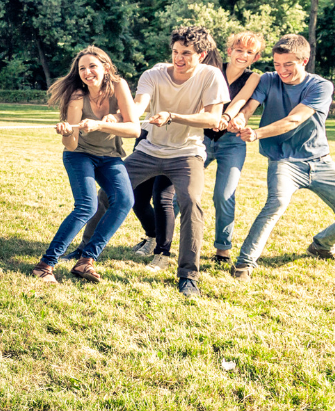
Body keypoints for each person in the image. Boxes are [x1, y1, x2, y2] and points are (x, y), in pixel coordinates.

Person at [83, 26, 230, 296]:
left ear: (203, 54)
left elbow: (212, 119)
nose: (179, 58)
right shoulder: (153, 74)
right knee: (108, 194)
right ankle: (84, 253)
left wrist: (172, 115)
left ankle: (188, 276)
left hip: (187, 153)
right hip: (149, 150)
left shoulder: (211, 76)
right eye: (175, 52)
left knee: (191, 203)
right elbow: (137, 107)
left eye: (186, 53)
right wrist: (117, 117)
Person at [229, 34, 335, 279]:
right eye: (277, 64)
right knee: (276, 204)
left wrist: (256, 133)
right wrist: (240, 119)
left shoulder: (320, 86)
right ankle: (244, 264)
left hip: (320, 161)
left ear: (304, 60)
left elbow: (294, 119)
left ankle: (320, 245)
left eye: (288, 65)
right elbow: (250, 106)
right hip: (283, 161)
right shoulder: (268, 80)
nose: (281, 70)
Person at [33, 46, 140, 284]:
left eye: (92, 66)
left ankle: (86, 260)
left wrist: (101, 125)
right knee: (87, 207)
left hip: (110, 156)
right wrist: (66, 132)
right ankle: (45, 264)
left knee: (124, 201)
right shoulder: (77, 96)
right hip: (80, 155)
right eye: (82, 68)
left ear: (106, 67)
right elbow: (71, 145)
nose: (87, 72)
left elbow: (134, 129)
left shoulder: (119, 86)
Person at [202, 32, 265, 262]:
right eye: (239, 50)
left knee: (224, 195)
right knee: (181, 191)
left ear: (255, 57)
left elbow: (240, 99)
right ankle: (161, 241)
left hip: (232, 142)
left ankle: (223, 249)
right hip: (202, 138)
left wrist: (229, 117)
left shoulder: (254, 77)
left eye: (249, 52)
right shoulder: (213, 69)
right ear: (230, 51)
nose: (243, 55)